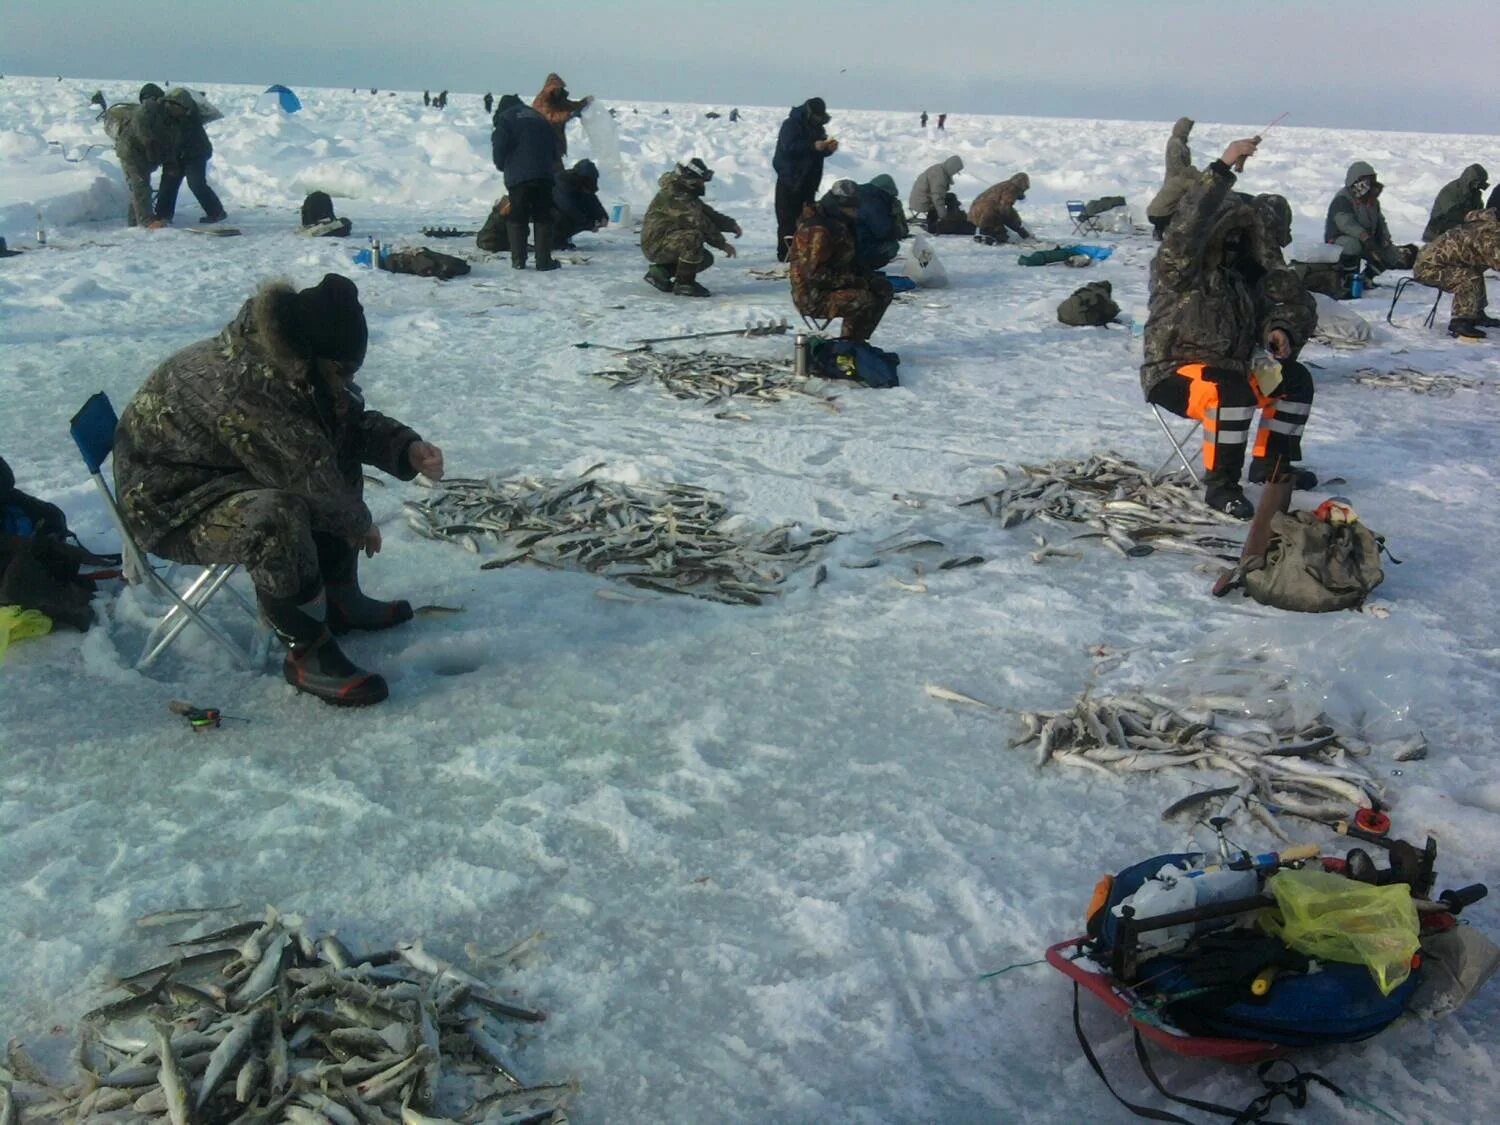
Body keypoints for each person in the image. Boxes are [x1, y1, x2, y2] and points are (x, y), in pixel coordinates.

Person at [112, 274, 444, 706]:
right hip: (167, 506)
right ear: (313, 356)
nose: (346, 381)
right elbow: (304, 470)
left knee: (331, 453)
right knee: (275, 515)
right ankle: (307, 648)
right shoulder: (247, 383)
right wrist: (358, 524)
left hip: (217, 473)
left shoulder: (294, 363)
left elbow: (342, 425)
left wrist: (406, 448)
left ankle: (338, 598)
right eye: (342, 371)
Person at [1141, 138, 1319, 518]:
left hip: (1235, 369)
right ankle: (1221, 486)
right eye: (1230, 234)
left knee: (1295, 379)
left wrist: (1280, 330)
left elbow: (1290, 302)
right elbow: (1189, 224)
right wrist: (1223, 166)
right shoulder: (1178, 267)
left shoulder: (1243, 277)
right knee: (1230, 390)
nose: (1235, 243)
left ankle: (1270, 465)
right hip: (1175, 372)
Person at [788, 180, 894, 342]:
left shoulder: (839, 222)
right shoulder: (818, 230)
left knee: (883, 288)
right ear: (840, 206)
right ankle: (848, 345)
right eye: (852, 208)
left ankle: (856, 341)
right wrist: (856, 281)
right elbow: (814, 275)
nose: (856, 212)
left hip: (834, 283)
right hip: (812, 296)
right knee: (863, 299)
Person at [640, 158, 742, 298]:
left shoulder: (684, 192)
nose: (702, 185)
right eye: (700, 181)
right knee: (693, 238)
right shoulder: (677, 196)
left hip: (668, 240)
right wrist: (722, 244)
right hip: (656, 244)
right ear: (691, 180)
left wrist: (730, 224)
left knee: (704, 258)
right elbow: (699, 221)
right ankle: (684, 284)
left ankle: (659, 273)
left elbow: (705, 212)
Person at [491, 93, 563, 271]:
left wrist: (502, 165)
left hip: (519, 177)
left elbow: (499, 145)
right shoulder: (539, 117)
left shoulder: (506, 118)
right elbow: (556, 147)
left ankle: (518, 261)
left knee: (518, 216)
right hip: (544, 175)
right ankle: (544, 261)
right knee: (543, 216)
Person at [1413, 208, 1500, 339]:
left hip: (1446, 264)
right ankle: (1460, 321)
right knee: (1468, 277)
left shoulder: (1487, 226)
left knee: (1474, 270)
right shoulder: (1486, 232)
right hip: (1428, 268)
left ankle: (1476, 314)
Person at [115, 83, 189, 228]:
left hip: (145, 156)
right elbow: (139, 122)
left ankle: (135, 221)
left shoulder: (173, 121)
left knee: (141, 186)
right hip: (131, 151)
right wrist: (149, 142)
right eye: (182, 108)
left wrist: (171, 160)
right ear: (174, 104)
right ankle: (146, 221)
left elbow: (170, 143)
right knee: (140, 184)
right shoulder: (151, 107)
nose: (183, 112)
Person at [773, 97, 837, 262]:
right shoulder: (791, 125)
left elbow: (814, 154)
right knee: (787, 219)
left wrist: (827, 149)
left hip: (809, 180)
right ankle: (786, 254)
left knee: (807, 218)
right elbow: (788, 147)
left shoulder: (818, 127)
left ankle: (803, 251)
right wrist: (812, 145)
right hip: (790, 179)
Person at [1324, 161, 1407, 285]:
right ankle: (1347, 279)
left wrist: (1384, 239)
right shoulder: (1342, 199)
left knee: (1391, 254)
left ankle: (1366, 278)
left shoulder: (1372, 200)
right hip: (1340, 239)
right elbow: (1345, 223)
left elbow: (1380, 221)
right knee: (1352, 245)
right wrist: (1365, 237)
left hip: (1368, 240)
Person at [154, 88, 226, 225]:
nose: (170, 107)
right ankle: (163, 215)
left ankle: (216, 212)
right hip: (176, 155)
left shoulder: (191, 120)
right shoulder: (168, 117)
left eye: (174, 105)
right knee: (168, 183)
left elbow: (181, 140)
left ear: (183, 106)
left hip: (195, 155)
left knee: (196, 184)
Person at [1147, 117, 1197, 240]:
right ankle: (1163, 230)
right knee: (1171, 205)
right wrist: (1191, 173)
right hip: (1178, 179)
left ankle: (1163, 229)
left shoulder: (1179, 142)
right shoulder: (1176, 143)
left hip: (1181, 178)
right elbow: (1177, 164)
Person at [532, 73, 592, 166]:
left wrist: (585, 103)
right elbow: (550, 116)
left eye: (559, 88)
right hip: (543, 142)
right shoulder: (542, 100)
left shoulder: (559, 100)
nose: (558, 90)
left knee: (558, 173)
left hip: (555, 143)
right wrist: (569, 114)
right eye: (556, 88)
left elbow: (572, 106)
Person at [852, 174, 908, 270]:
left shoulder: (860, 192)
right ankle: (861, 268)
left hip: (844, 244)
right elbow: (885, 232)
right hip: (856, 248)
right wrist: (896, 216)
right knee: (892, 247)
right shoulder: (876, 201)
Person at [1423, 164, 1489, 242]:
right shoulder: (1450, 191)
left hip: (1463, 229)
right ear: (1469, 180)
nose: (1476, 187)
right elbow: (1453, 213)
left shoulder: (1475, 194)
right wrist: (1473, 217)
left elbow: (1479, 210)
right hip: (1438, 230)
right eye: (1475, 183)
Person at [552, 158, 608, 248]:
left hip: (565, 213)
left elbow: (592, 199)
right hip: (548, 213)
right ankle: (553, 240)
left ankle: (561, 238)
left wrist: (602, 216)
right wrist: (589, 224)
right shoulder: (562, 181)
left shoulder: (584, 184)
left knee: (583, 212)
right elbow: (568, 207)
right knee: (563, 216)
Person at [969, 173, 1032, 244]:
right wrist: (1018, 227)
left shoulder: (1004, 185)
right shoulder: (1012, 189)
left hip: (975, 212)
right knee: (1001, 235)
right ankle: (987, 235)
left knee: (994, 219)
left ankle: (984, 233)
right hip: (987, 214)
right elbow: (1005, 209)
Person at [908, 156, 964, 232]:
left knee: (950, 197)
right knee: (950, 198)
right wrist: (944, 217)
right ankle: (951, 220)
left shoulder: (940, 169)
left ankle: (952, 217)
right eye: (956, 171)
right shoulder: (939, 176)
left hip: (920, 199)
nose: (955, 173)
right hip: (922, 202)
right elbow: (937, 198)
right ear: (952, 168)